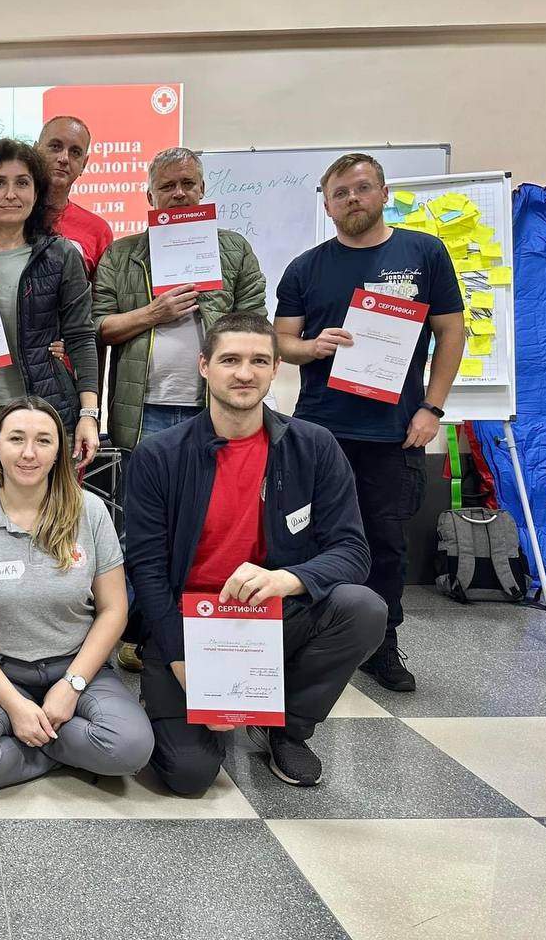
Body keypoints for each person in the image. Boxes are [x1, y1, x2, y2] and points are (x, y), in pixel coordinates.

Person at [125, 313, 386, 791]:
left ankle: (285, 726)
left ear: (275, 367)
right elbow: (146, 570)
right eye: (229, 360)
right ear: (204, 366)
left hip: (271, 618)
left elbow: (352, 550)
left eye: (258, 361)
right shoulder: (158, 455)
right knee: (188, 776)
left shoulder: (314, 447)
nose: (244, 373)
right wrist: (186, 666)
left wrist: (292, 578)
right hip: (186, 625)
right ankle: (181, 701)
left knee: (363, 608)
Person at [275, 153, 464, 693]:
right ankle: (310, 639)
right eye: (340, 193)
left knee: (386, 543)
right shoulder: (306, 267)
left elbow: (451, 332)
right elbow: (281, 341)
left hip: (395, 430)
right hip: (319, 432)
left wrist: (432, 407)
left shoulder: (423, 253)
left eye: (362, 189)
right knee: (307, 540)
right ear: (327, 203)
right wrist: (311, 346)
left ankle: (383, 645)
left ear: (383, 193)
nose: (352, 199)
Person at [93, 145, 267, 672]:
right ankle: (140, 632)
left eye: (188, 184)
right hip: (139, 412)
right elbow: (97, 329)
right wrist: (154, 311)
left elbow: (256, 324)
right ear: (149, 196)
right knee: (140, 528)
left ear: (202, 189)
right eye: (167, 186)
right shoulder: (123, 255)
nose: (179, 194)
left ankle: (209, 626)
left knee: (212, 521)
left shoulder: (232, 250)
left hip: (210, 411)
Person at [0, 397, 152, 791]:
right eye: (16, 439)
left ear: (60, 452)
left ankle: (30, 742)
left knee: (132, 748)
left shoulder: (91, 512)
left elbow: (114, 609)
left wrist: (72, 685)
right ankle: (60, 750)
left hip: (78, 666)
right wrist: (15, 705)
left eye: (43, 441)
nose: (29, 453)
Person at [0, 139, 100, 490]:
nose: (10, 193)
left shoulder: (60, 255)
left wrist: (89, 415)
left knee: (50, 522)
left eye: (22, 182)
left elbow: (80, 337)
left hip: (46, 411)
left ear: (37, 192)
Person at [35, 115, 112, 279]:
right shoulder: (3, 216)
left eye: (75, 152)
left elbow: (102, 302)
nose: (63, 159)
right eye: (55, 147)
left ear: (84, 164)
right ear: (35, 151)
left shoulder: (98, 231)